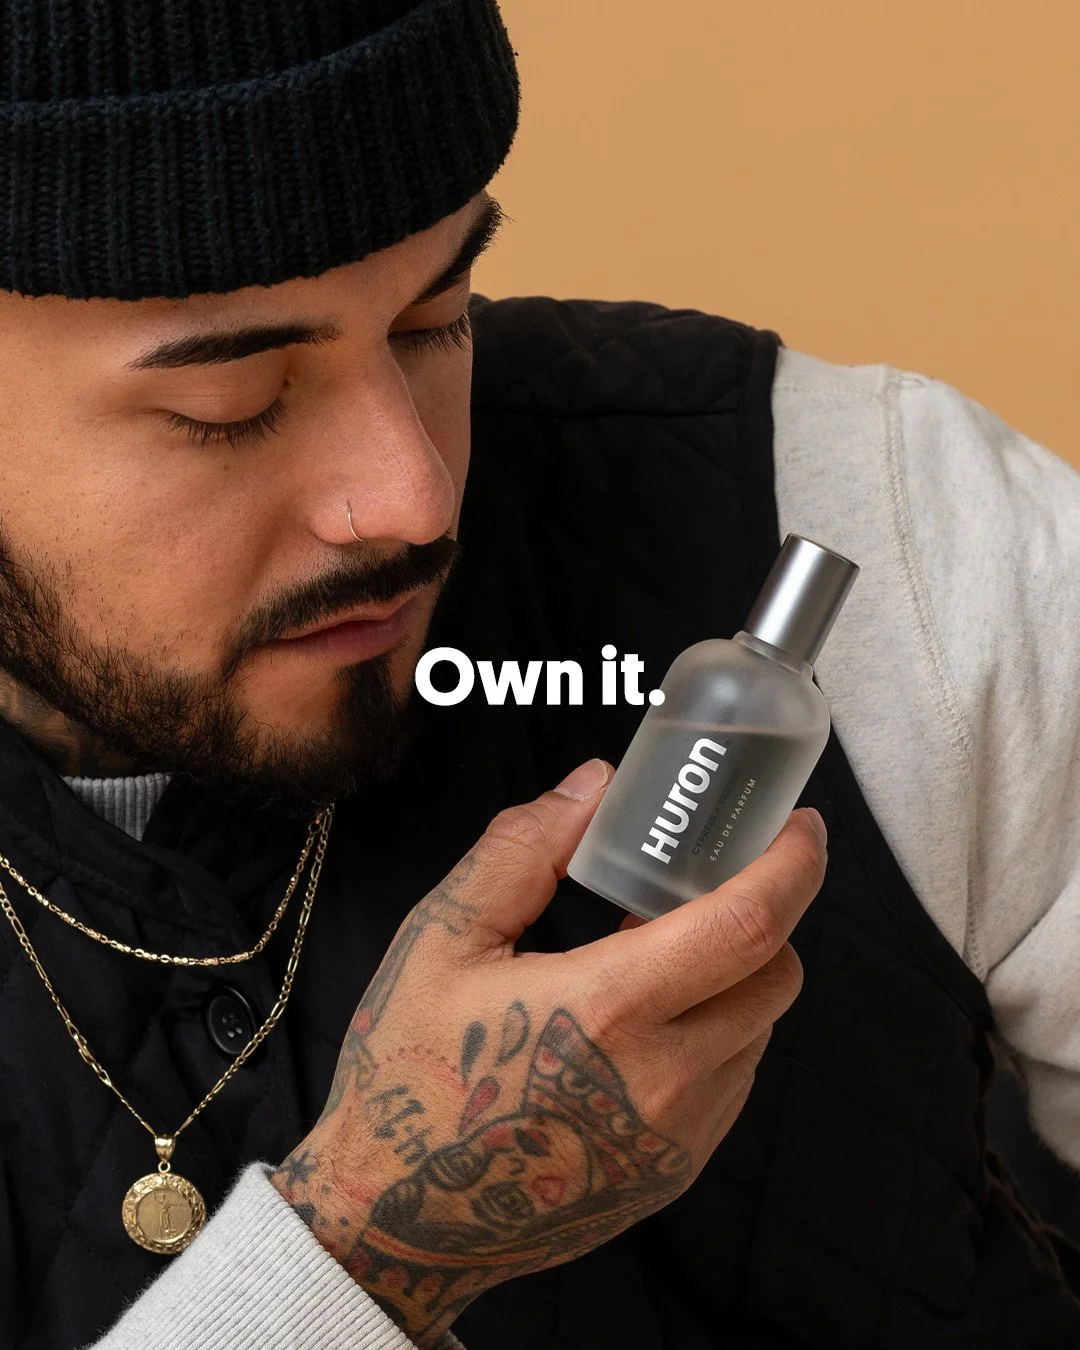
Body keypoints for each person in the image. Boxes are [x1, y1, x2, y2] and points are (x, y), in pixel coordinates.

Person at [0, 2, 1077, 1348]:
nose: (409, 497)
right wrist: (359, 1259)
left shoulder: (870, 521)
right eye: (232, 402)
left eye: (435, 319)